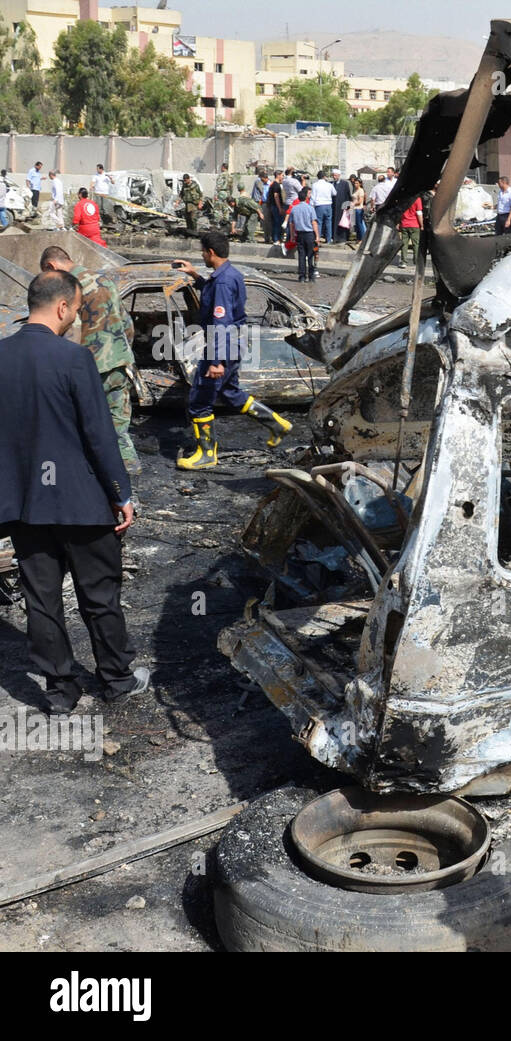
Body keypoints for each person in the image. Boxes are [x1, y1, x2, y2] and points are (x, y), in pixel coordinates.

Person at [0, 270, 151, 713]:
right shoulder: (73, 358)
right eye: (76, 308)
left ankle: (60, 690)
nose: (75, 317)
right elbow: (99, 434)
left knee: (41, 599)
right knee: (100, 593)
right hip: (80, 502)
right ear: (63, 307)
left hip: (25, 506)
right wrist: (120, 492)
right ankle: (117, 679)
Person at [171, 231, 294, 469]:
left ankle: (207, 454)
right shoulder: (228, 275)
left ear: (211, 252)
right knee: (230, 393)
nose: (202, 255)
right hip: (233, 345)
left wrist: (217, 361)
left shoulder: (224, 282)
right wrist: (195, 275)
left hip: (223, 347)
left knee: (199, 401)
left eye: (203, 252)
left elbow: (221, 323)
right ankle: (277, 424)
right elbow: (216, 296)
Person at [39, 245, 140, 474]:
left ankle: (84, 479)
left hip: (90, 368)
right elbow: (127, 325)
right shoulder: (105, 280)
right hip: (118, 364)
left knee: (81, 426)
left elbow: (70, 337)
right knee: (118, 427)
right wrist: (123, 353)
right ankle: (128, 477)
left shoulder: (68, 288)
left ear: (50, 267)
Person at [288, 187, 320, 282]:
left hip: (299, 235)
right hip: (310, 234)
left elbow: (291, 224)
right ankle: (311, 276)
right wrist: (317, 236)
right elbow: (314, 222)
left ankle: (301, 276)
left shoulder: (294, 209)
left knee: (301, 256)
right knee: (311, 255)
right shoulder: (310, 208)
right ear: (306, 197)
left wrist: (292, 236)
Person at [396, 195, 422, 267]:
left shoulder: (403, 199)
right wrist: (422, 225)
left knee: (404, 244)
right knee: (416, 244)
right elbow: (419, 213)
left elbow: (400, 212)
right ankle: (416, 261)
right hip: (415, 224)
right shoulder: (417, 199)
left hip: (404, 224)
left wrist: (398, 222)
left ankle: (404, 262)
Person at [310, 170, 335, 245]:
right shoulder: (329, 185)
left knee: (319, 222)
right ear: (324, 177)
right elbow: (335, 193)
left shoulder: (315, 185)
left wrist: (311, 205)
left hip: (319, 205)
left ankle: (318, 238)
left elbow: (313, 197)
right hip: (328, 205)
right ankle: (329, 239)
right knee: (328, 222)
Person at [251, 169, 271, 244]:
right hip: (259, 201)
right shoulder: (259, 181)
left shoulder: (260, 181)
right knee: (261, 219)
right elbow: (262, 190)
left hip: (260, 201)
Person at [330, 169, 349, 243]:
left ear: (339, 175)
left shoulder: (345, 183)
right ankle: (334, 237)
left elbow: (347, 195)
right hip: (333, 206)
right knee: (333, 221)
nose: (334, 177)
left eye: (336, 175)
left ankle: (342, 238)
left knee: (342, 222)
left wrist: (347, 206)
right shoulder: (331, 183)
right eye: (333, 175)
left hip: (342, 206)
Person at [268, 170, 286, 246]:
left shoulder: (274, 184)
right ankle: (276, 239)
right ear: (278, 175)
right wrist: (280, 208)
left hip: (274, 206)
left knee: (277, 223)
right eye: (282, 175)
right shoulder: (276, 185)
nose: (283, 177)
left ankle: (277, 238)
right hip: (276, 207)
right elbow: (276, 197)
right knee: (277, 223)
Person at [348, 176, 367, 242]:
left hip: (358, 209)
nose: (355, 184)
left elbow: (360, 201)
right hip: (354, 209)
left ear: (360, 184)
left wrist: (352, 204)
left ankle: (362, 239)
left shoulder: (361, 190)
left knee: (359, 224)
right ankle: (358, 238)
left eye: (357, 183)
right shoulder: (355, 190)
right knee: (356, 225)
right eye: (355, 183)